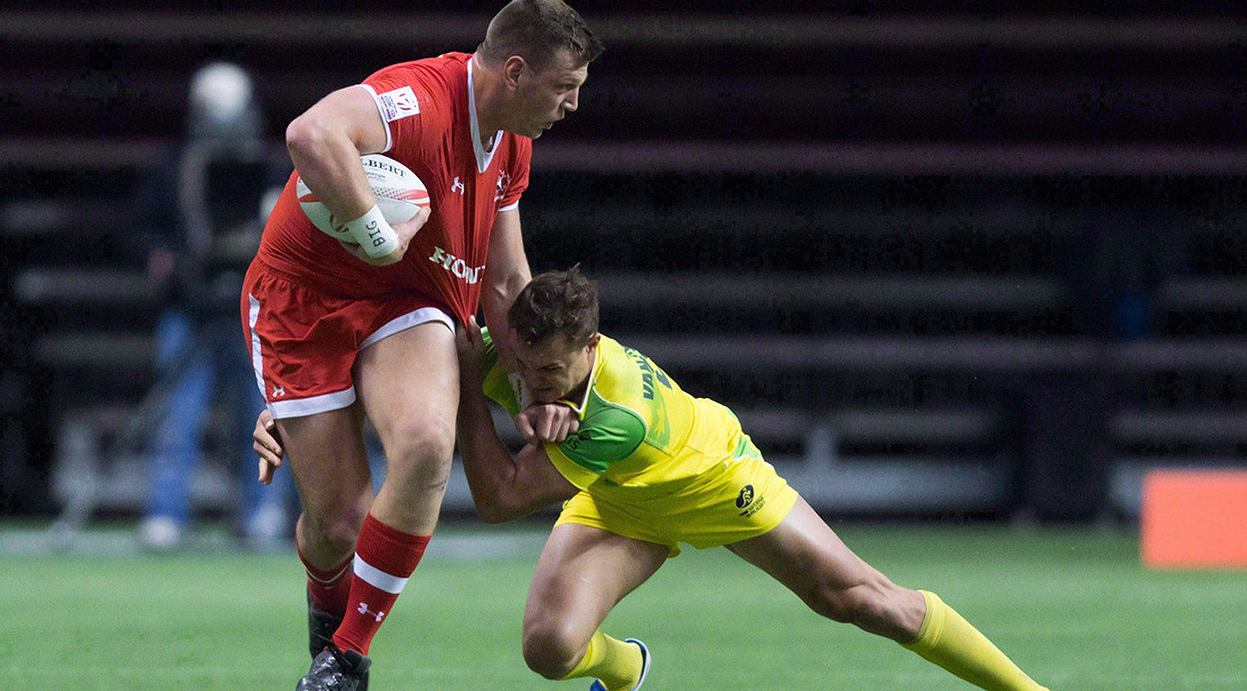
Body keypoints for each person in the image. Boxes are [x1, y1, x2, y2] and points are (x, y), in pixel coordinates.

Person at [255, 266, 1052, 691]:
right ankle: (629, 670)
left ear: (590, 348)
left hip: (711, 480)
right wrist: (292, 416)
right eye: (522, 366)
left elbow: (497, 498)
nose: (533, 384)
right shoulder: (519, 355)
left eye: (551, 374)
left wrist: (469, 391)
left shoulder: (615, 413)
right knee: (549, 650)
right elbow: (386, 379)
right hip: (619, 500)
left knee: (861, 602)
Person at [240, 0, 603, 691]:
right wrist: (377, 234)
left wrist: (535, 390)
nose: (572, 105)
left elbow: (506, 283)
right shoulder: (417, 99)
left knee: (428, 441)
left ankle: (347, 657)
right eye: (565, 86)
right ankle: (327, 624)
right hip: (303, 301)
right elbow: (310, 134)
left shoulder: (513, 144)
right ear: (516, 71)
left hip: (409, 301)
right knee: (338, 525)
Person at [136, 61, 295, 551]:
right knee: (177, 417)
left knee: (265, 416)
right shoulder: (172, 167)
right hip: (191, 307)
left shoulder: (271, 167)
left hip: (256, 314)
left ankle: (263, 509)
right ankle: (166, 512)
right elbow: (143, 228)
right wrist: (161, 257)